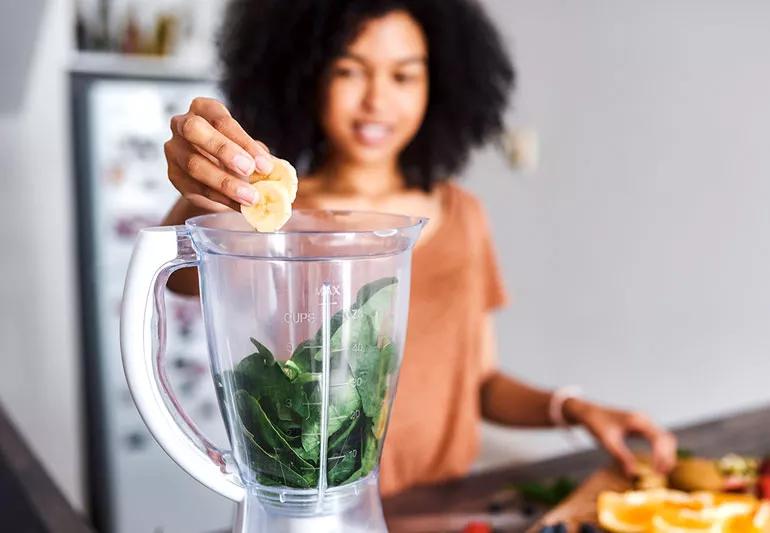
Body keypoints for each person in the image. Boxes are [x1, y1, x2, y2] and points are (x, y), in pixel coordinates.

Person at [162, 0, 677, 497]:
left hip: (439, 508)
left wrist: (573, 409)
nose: (377, 100)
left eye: (403, 75)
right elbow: (181, 275)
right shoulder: (263, 217)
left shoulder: (463, 215)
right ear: (306, 75)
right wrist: (205, 190)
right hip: (306, 509)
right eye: (349, 71)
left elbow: (481, 383)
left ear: (440, 83)